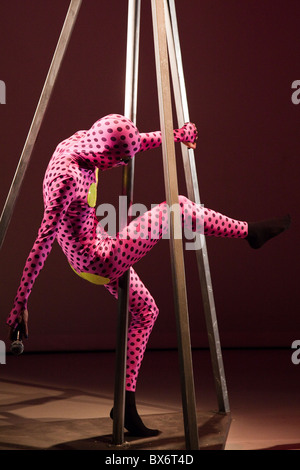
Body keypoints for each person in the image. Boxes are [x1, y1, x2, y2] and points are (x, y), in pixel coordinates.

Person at [6, 113, 290, 437]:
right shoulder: (68, 178)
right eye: (118, 162)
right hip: (99, 258)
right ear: (105, 157)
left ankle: (124, 404)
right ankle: (250, 232)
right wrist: (21, 303)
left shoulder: (84, 140)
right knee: (177, 209)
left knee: (145, 311)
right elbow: (42, 241)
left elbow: (134, 143)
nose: (120, 165)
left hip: (96, 248)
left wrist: (176, 136)